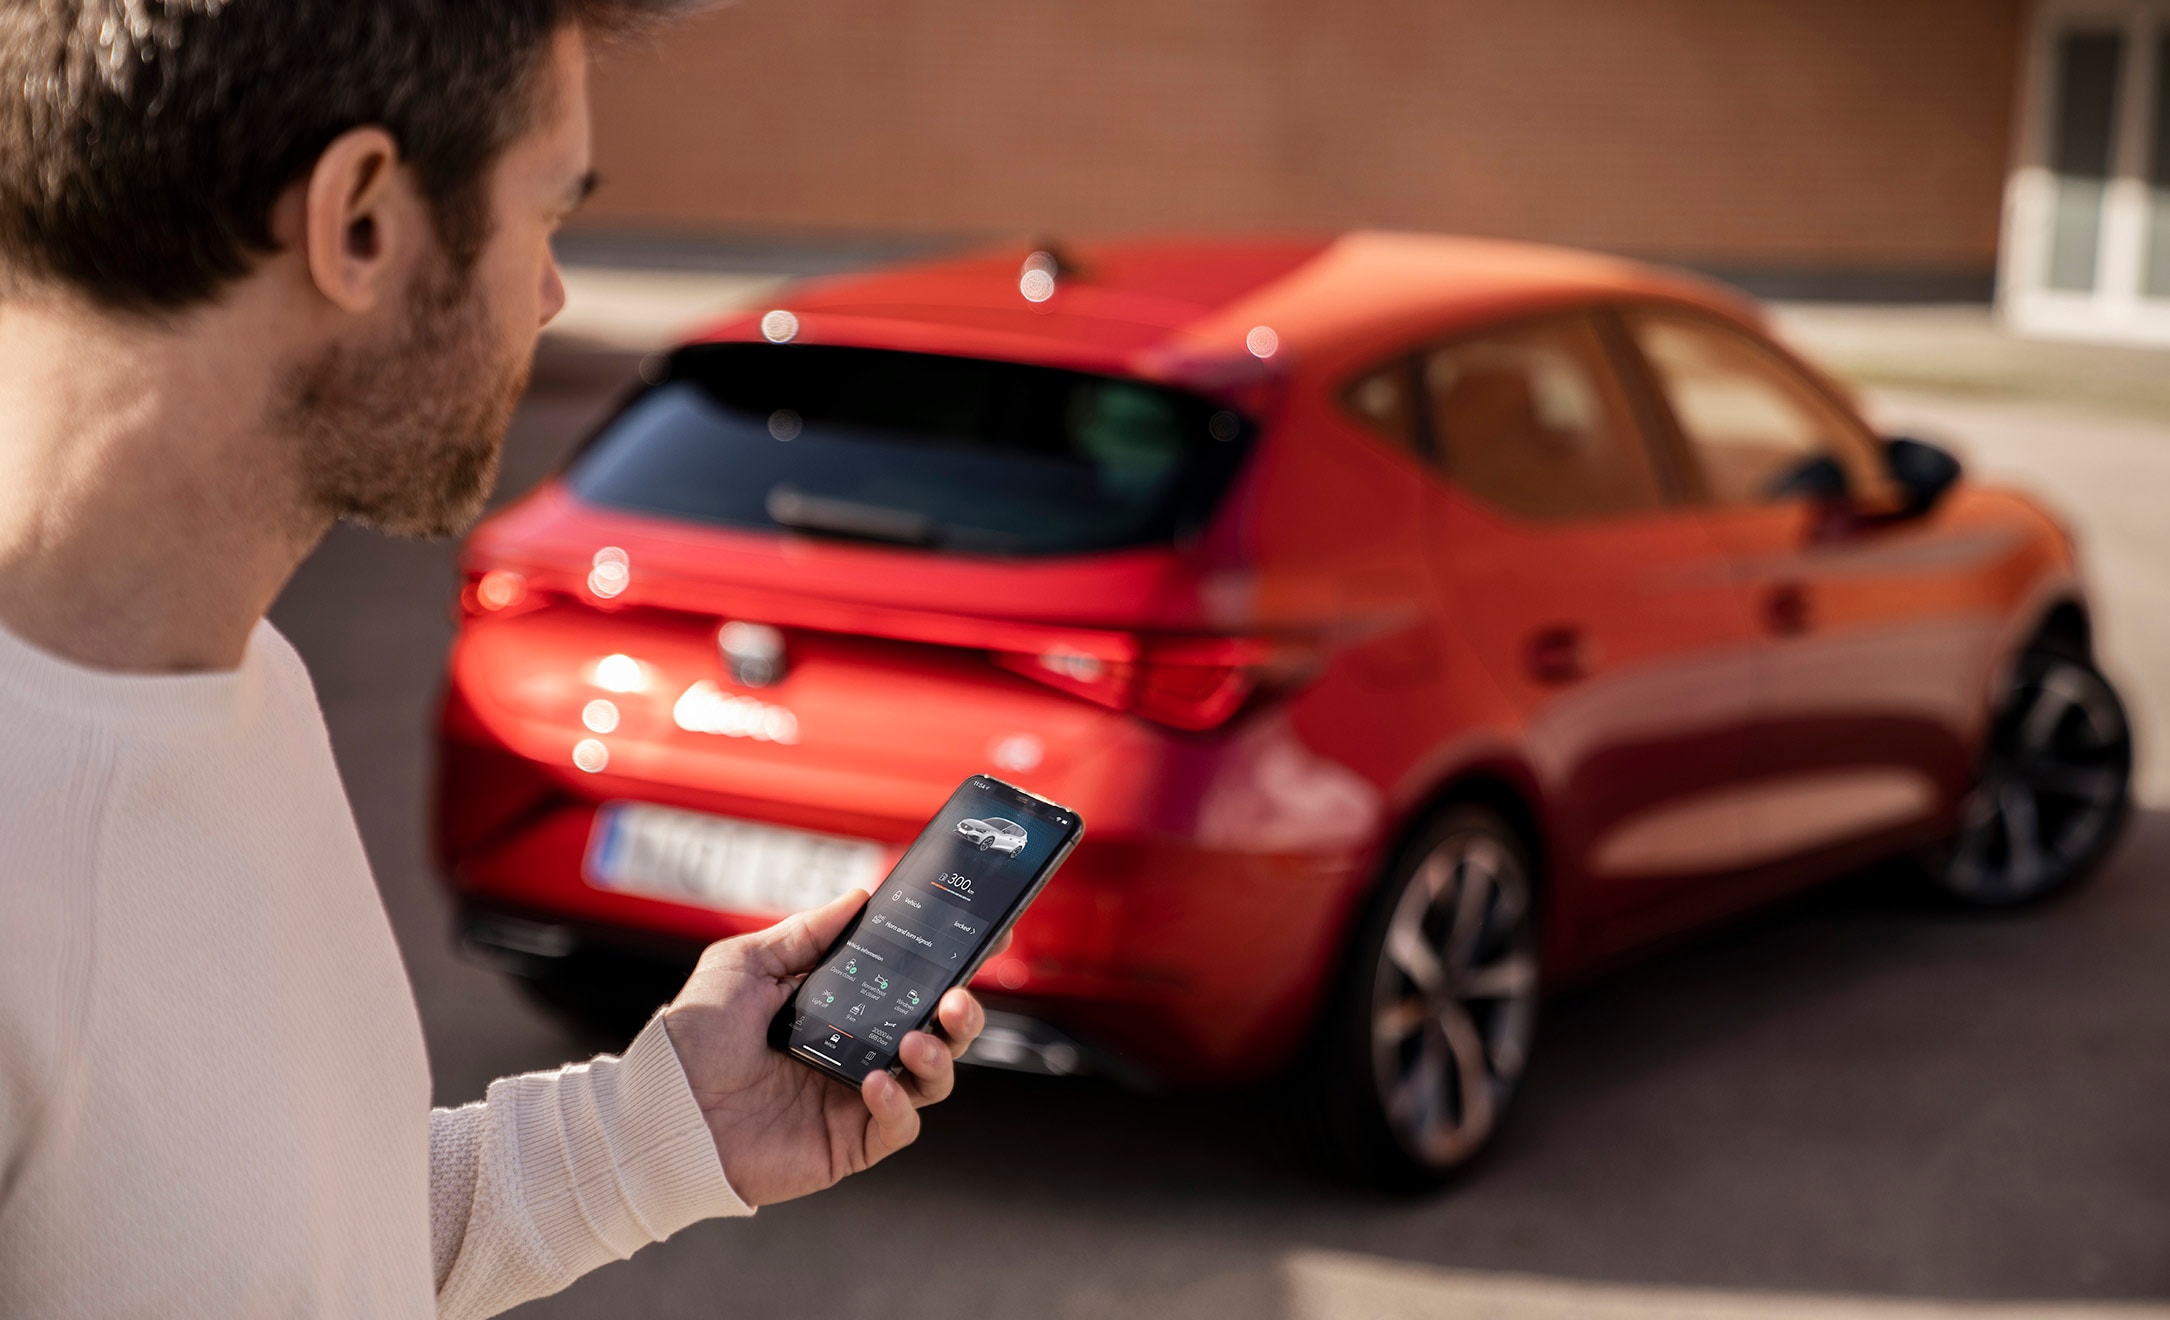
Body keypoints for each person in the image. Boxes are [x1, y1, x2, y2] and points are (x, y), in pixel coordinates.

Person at [0, 3, 992, 1315]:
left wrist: (670, 1124)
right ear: (359, 219)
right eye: (549, 214)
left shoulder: (244, 687)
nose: (552, 293)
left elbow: (291, 1250)